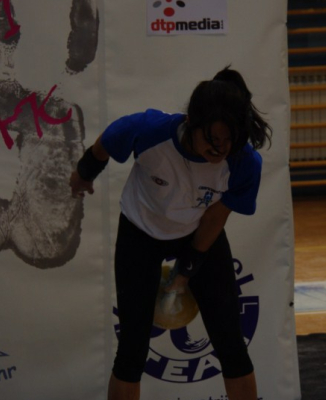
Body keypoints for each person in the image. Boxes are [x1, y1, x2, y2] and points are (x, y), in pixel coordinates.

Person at [69, 66, 272, 400]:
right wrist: (84, 173)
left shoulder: (244, 162)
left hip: (198, 230)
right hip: (141, 231)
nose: (220, 149)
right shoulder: (148, 130)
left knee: (231, 344)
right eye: (212, 138)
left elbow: (214, 219)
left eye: (228, 140)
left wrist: (186, 271)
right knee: (132, 350)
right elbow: (105, 143)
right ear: (191, 121)